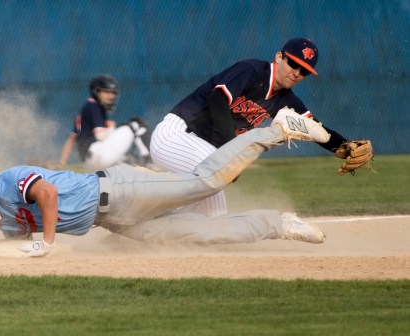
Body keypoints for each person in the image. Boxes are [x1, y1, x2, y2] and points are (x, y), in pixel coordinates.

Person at [0, 108, 331, 257]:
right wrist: (4, 242)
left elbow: (47, 194)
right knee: (207, 234)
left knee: (205, 183)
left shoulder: (9, 181)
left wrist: (46, 242)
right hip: (117, 220)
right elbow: (27, 238)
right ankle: (279, 224)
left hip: (120, 191)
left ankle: (278, 127)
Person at [150, 37, 365, 218]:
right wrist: (230, 155)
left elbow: (315, 128)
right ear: (279, 57)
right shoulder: (252, 70)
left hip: (200, 148)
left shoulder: (285, 100)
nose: (297, 72)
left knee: (208, 210)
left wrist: (344, 146)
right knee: (216, 189)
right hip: (176, 134)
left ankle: (149, 220)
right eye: (293, 63)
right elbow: (218, 99)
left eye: (304, 71)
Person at [57, 75, 151, 170]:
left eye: (113, 93)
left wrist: (62, 162)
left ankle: (129, 161)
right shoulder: (94, 106)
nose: (111, 96)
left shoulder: (86, 108)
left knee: (129, 159)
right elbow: (100, 136)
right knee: (136, 124)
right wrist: (111, 128)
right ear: (96, 92)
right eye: (106, 92)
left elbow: (72, 138)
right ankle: (149, 160)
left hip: (89, 162)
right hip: (99, 154)